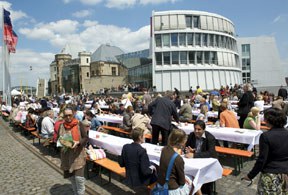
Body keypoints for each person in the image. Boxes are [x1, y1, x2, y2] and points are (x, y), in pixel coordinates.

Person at [242, 108, 288, 194]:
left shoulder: (266, 136)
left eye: (265, 118)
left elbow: (262, 159)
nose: (264, 120)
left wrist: (250, 175)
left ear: (269, 120)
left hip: (271, 174)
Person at [157, 128, 198, 195]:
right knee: (193, 180)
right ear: (182, 142)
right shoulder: (178, 158)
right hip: (172, 190)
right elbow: (182, 182)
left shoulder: (164, 150)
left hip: (161, 185)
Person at [58, 106, 88, 195]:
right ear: (63, 116)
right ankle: (75, 192)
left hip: (78, 156)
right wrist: (62, 143)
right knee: (71, 178)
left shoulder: (79, 124)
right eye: (66, 115)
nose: (68, 117)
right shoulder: (61, 125)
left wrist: (78, 143)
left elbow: (86, 137)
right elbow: (58, 138)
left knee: (79, 179)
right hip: (66, 156)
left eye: (70, 115)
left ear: (73, 114)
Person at [118, 128, 157, 194]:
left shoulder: (125, 147)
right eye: (144, 135)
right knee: (155, 172)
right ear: (140, 137)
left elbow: (121, 164)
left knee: (151, 164)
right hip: (140, 180)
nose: (145, 137)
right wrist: (152, 168)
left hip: (129, 176)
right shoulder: (142, 151)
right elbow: (145, 172)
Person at [185, 120, 217, 195]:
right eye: (195, 129)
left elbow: (210, 153)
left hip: (207, 162)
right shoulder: (191, 135)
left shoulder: (210, 138)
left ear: (204, 129)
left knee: (205, 178)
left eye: (199, 129)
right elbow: (187, 146)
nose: (196, 131)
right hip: (196, 161)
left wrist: (194, 155)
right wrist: (189, 149)